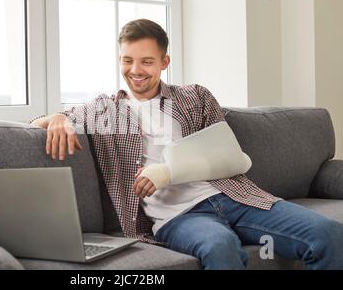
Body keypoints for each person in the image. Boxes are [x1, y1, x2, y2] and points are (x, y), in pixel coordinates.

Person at [31, 19, 343, 270]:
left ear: (164, 61)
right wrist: (59, 117)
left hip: (236, 196)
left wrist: (167, 172)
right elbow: (37, 121)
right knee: (220, 247)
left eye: (146, 61)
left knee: (329, 234)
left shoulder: (194, 96)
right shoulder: (104, 109)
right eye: (127, 60)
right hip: (180, 217)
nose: (135, 70)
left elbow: (228, 155)